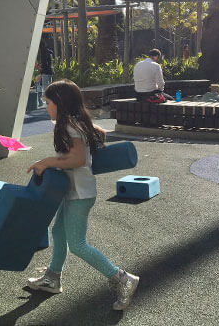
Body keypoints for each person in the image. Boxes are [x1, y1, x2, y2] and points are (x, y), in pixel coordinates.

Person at [26, 79, 140, 311]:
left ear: (59, 103)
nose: (45, 106)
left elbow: (78, 160)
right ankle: (52, 278)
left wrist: (47, 162)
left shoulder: (70, 126)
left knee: (78, 244)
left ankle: (123, 279)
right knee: (58, 231)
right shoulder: (75, 123)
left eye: (47, 102)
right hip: (72, 191)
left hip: (80, 194)